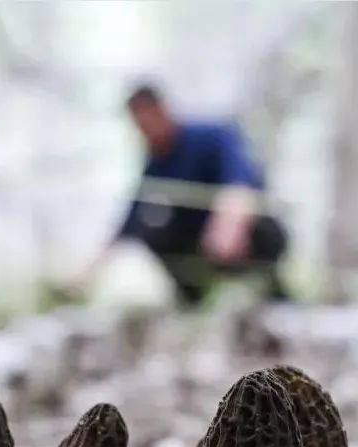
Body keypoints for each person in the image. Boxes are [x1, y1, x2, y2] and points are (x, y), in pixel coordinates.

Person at [74, 84, 289, 305]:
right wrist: (89, 273)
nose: (145, 133)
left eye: (147, 123)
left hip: (245, 236)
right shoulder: (156, 165)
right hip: (197, 248)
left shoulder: (213, 135)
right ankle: (192, 300)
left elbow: (241, 183)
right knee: (152, 228)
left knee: (258, 225)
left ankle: (272, 293)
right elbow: (128, 224)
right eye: (139, 127)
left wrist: (229, 223)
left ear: (162, 110)